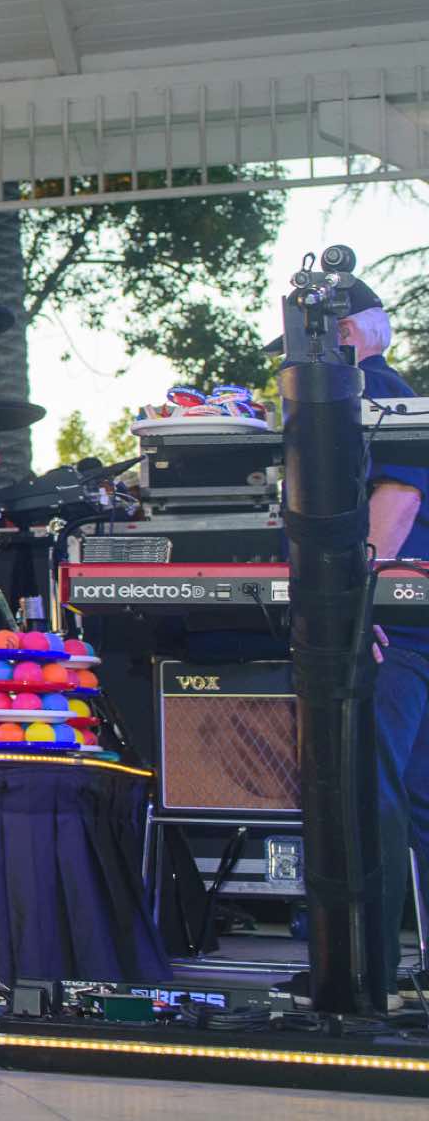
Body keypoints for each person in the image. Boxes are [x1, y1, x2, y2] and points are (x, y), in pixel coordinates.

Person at [326, 283, 429, 990]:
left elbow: (397, 496)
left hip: (392, 626)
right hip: (413, 623)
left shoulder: (374, 393)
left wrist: (354, 605)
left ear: (344, 335)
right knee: (416, 799)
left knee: (372, 789)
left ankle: (367, 974)